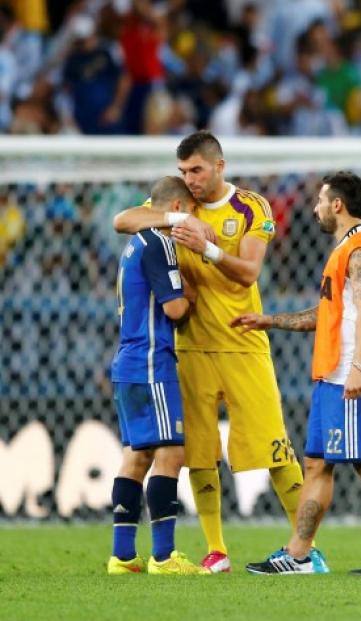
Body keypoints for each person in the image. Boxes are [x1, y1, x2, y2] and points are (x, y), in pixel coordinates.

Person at [112, 131, 304, 573]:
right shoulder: (179, 204)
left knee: (275, 448)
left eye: (196, 169)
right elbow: (124, 220)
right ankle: (216, 549)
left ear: (219, 165)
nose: (190, 178)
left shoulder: (252, 207)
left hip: (243, 344)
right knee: (198, 454)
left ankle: (303, 545)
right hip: (191, 345)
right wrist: (169, 220)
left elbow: (250, 273)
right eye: (183, 171)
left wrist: (209, 248)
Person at [236, 171, 361, 576]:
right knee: (316, 462)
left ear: (337, 205)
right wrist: (270, 321)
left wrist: (356, 368)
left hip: (353, 375)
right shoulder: (345, 250)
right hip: (334, 373)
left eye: (320, 200)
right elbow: (330, 314)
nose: (315, 208)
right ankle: (298, 554)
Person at [107, 176, 208, 576]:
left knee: (136, 456)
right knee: (171, 453)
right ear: (179, 210)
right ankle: (164, 557)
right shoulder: (160, 243)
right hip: (152, 362)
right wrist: (195, 294)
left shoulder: (135, 243)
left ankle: (122, 556)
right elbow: (175, 310)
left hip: (127, 362)